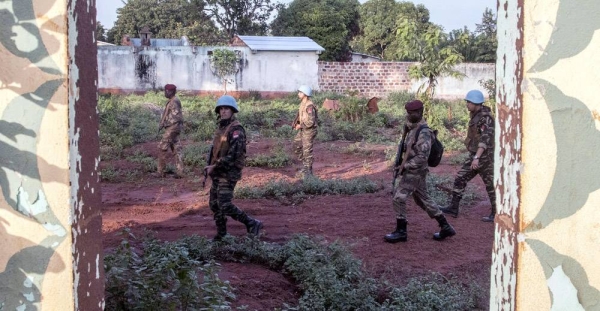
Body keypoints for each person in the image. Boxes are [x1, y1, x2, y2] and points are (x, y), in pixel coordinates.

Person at [385, 100, 456, 243]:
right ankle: (445, 226)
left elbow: (422, 158)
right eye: (408, 113)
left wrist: (405, 166)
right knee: (423, 200)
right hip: (413, 170)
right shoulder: (411, 128)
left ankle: (401, 231)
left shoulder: (423, 132)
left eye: (413, 113)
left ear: (420, 112)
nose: (409, 116)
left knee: (399, 197)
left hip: (415, 171)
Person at [204, 95, 263, 240]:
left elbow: (233, 156)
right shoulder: (222, 128)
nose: (223, 111)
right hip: (218, 172)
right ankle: (222, 234)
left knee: (224, 204)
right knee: (214, 204)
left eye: (226, 109)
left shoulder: (236, 130)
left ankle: (251, 223)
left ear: (232, 111)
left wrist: (214, 166)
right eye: (221, 109)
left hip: (228, 172)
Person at [441, 90, 496, 222]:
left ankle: (496, 213)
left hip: (484, 157)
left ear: (476, 103)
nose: (467, 104)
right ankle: (453, 208)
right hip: (475, 155)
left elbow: (485, 139)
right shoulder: (475, 115)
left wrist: (476, 158)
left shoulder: (485, 118)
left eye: (469, 102)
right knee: (460, 178)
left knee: (490, 185)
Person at [157, 83, 184, 178]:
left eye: (166, 91)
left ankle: (161, 172)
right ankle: (180, 171)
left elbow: (176, 118)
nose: (165, 92)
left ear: (171, 92)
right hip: (173, 128)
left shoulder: (174, 101)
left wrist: (165, 123)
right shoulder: (172, 101)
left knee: (162, 147)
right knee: (177, 148)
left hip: (172, 128)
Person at [292, 85, 318, 178]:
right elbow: (302, 116)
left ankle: (308, 172)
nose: (298, 94)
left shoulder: (309, 106)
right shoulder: (303, 103)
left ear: (305, 94)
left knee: (307, 151)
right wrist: (297, 123)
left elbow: (311, 122)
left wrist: (300, 125)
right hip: (303, 129)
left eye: (300, 92)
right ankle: (305, 166)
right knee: (296, 145)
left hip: (309, 130)